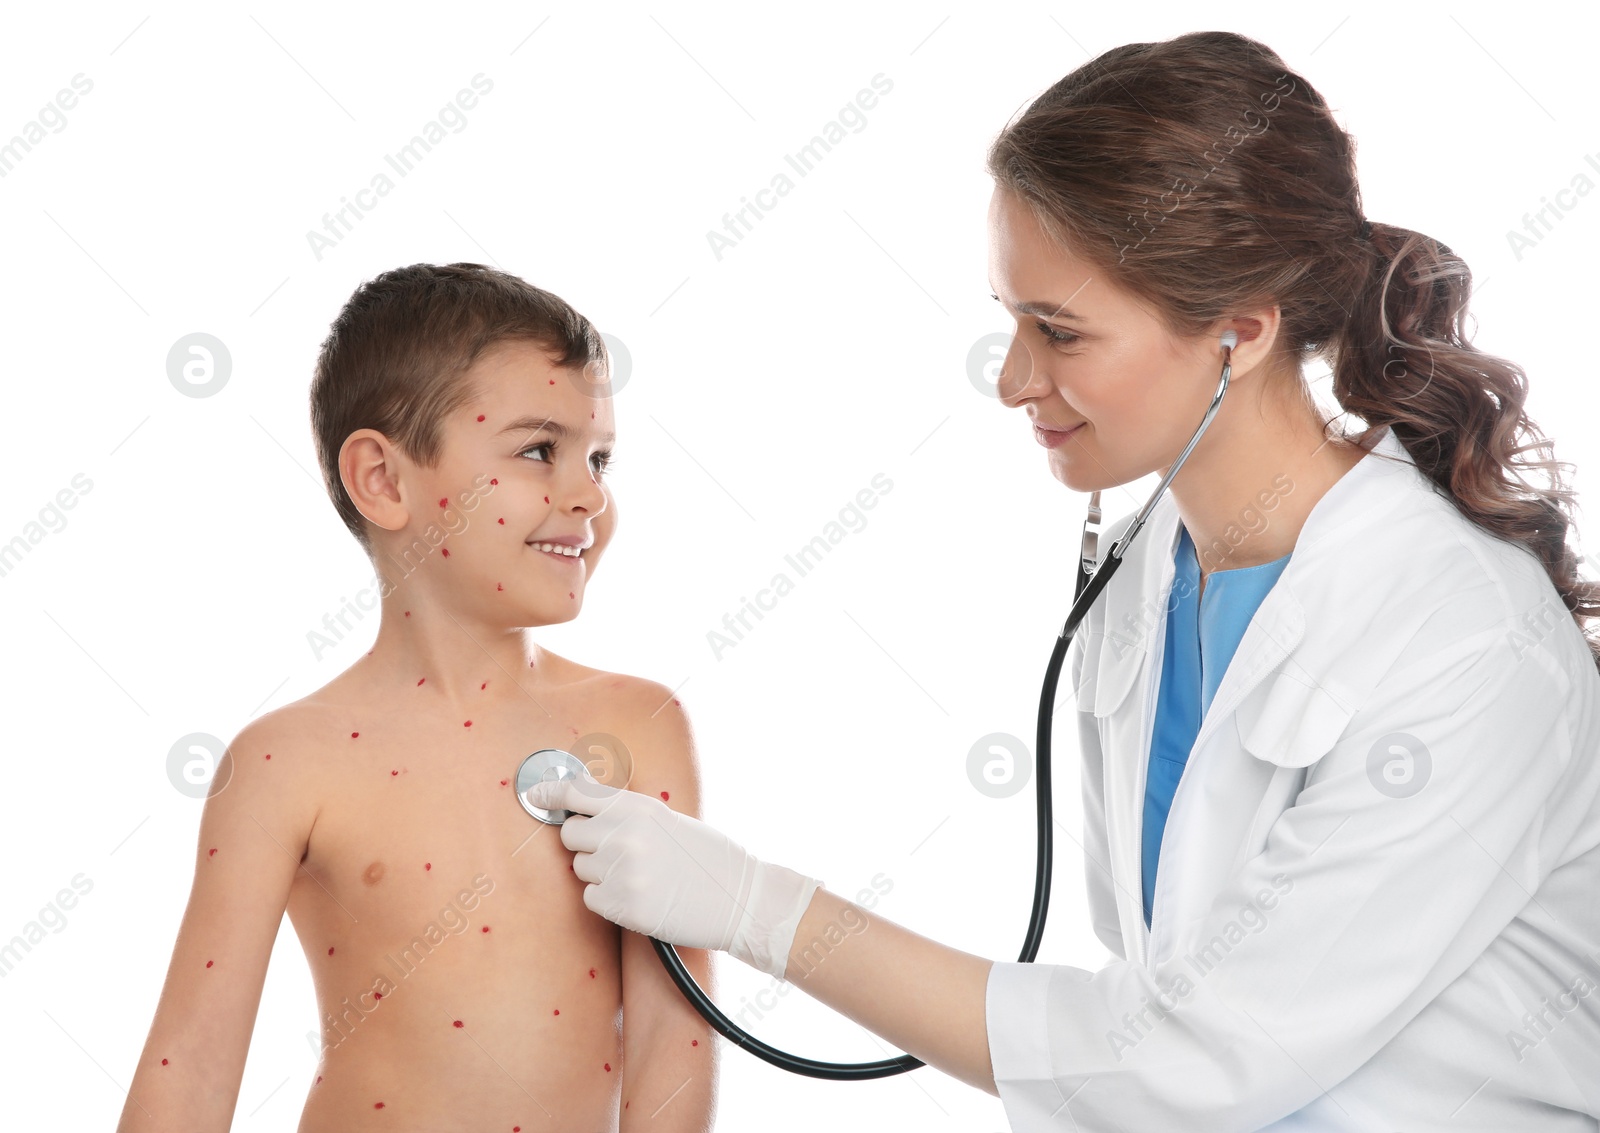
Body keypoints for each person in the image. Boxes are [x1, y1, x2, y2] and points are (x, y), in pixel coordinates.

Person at [526, 30, 1600, 1131]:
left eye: (1060, 331)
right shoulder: (1141, 584)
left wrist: (762, 908)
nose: (1010, 378)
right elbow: (1139, 1005)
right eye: (1011, 320)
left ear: (1237, 332)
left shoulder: (1463, 638)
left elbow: (1191, 1061)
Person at [117, 264, 717, 1132]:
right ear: (385, 481)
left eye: (599, 457)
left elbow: (674, 1038)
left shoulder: (638, 725)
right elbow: (191, 1067)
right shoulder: (288, 762)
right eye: (538, 450)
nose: (589, 494)